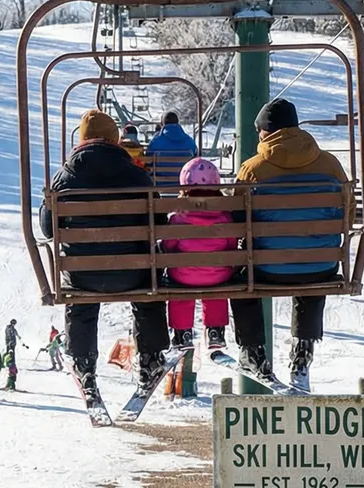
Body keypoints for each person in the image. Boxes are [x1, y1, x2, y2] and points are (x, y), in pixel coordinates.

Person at [38, 109, 172, 405]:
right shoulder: (137, 175)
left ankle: (84, 365)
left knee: (80, 296)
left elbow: (48, 228)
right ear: (115, 140)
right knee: (148, 288)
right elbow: (160, 222)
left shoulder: (63, 178)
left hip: (83, 275)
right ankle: (150, 358)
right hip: (133, 273)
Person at [228, 98, 353, 388]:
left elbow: (235, 221)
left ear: (266, 132)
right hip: (321, 266)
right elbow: (348, 214)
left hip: (268, 269)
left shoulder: (252, 169)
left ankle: (253, 351)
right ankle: (302, 355)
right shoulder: (330, 164)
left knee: (239, 278)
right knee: (312, 265)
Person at [160, 157, 234, 349]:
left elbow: (168, 246)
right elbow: (232, 245)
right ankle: (215, 331)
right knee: (215, 281)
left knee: (180, 281)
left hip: (184, 276)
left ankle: (182, 332)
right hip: (218, 274)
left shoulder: (178, 218)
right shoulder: (224, 217)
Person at [144, 110, 199, 187]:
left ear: (162, 124)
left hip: (159, 183)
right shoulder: (189, 141)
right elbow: (196, 160)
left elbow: (148, 161)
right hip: (184, 182)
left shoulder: (156, 141)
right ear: (177, 122)